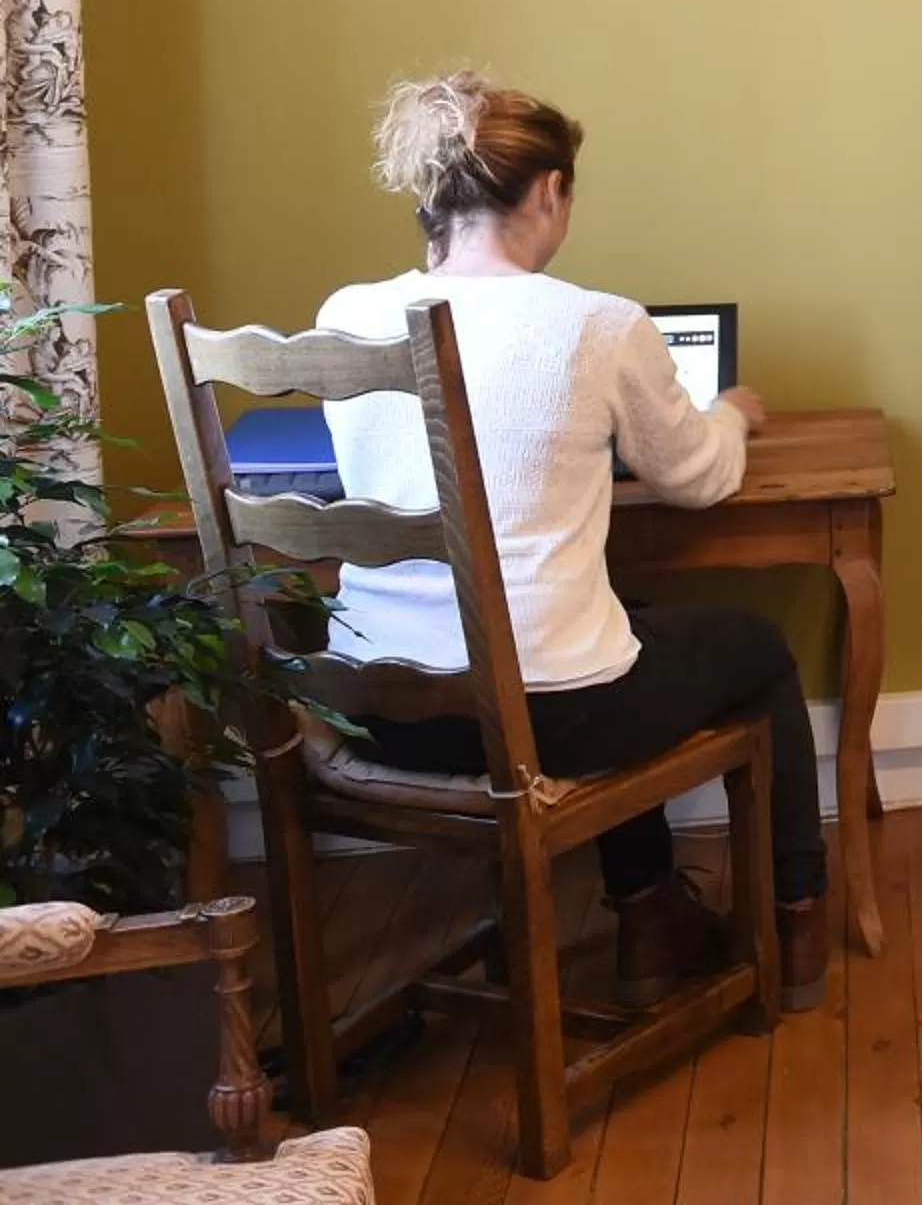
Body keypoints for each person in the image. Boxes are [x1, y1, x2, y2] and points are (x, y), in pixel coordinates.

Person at [317, 73, 827, 1010]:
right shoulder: (595, 324)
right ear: (548, 190)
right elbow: (698, 477)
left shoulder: (345, 315)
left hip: (381, 708)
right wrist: (730, 415)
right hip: (544, 717)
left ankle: (649, 919)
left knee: (613, 626)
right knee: (753, 651)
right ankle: (796, 924)